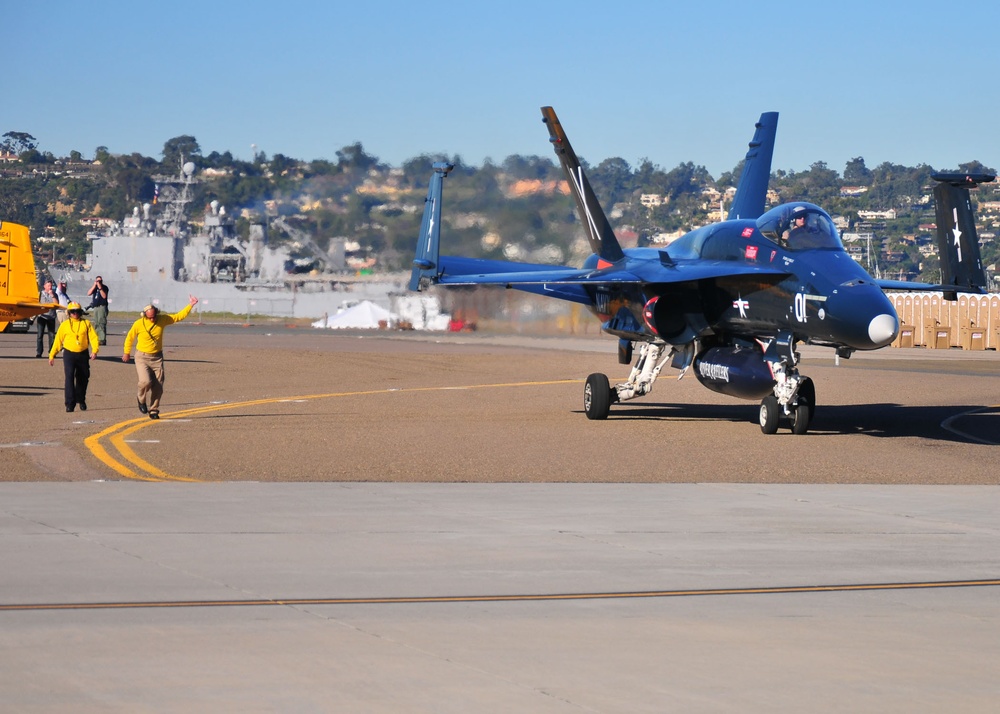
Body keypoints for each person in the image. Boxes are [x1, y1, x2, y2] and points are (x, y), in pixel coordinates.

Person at [122, 295, 199, 420]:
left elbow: (178, 316)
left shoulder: (162, 319)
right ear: (145, 315)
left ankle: (154, 410)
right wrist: (126, 352)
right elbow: (129, 338)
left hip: (157, 357)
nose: (152, 319)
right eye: (150, 317)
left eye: (154, 317)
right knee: (145, 381)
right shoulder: (138, 324)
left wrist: (190, 305)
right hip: (142, 357)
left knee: (158, 386)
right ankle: (141, 399)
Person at [48, 302, 99, 413]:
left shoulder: (86, 323)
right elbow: (58, 341)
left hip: (83, 354)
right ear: (69, 313)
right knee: (69, 378)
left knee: (83, 377)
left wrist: (95, 350)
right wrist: (52, 355)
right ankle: (70, 403)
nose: (75, 314)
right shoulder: (65, 325)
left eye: (77, 312)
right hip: (69, 354)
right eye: (73, 312)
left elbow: (93, 338)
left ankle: (81, 399)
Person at [35, 280, 58, 358]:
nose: (50, 287)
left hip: (51, 317)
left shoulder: (54, 294)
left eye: (51, 286)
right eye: (48, 286)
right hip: (42, 316)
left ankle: (51, 352)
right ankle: (39, 352)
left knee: (51, 335)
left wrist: (52, 295)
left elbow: (56, 304)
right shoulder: (40, 294)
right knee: (39, 335)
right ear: (44, 286)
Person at [86, 275, 110, 345]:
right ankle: (97, 338)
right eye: (97, 281)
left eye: (100, 281)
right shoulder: (95, 288)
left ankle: (102, 339)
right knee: (96, 323)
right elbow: (89, 293)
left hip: (102, 307)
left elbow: (104, 296)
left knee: (101, 323)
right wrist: (94, 286)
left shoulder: (104, 287)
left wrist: (100, 288)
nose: (98, 282)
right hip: (96, 307)